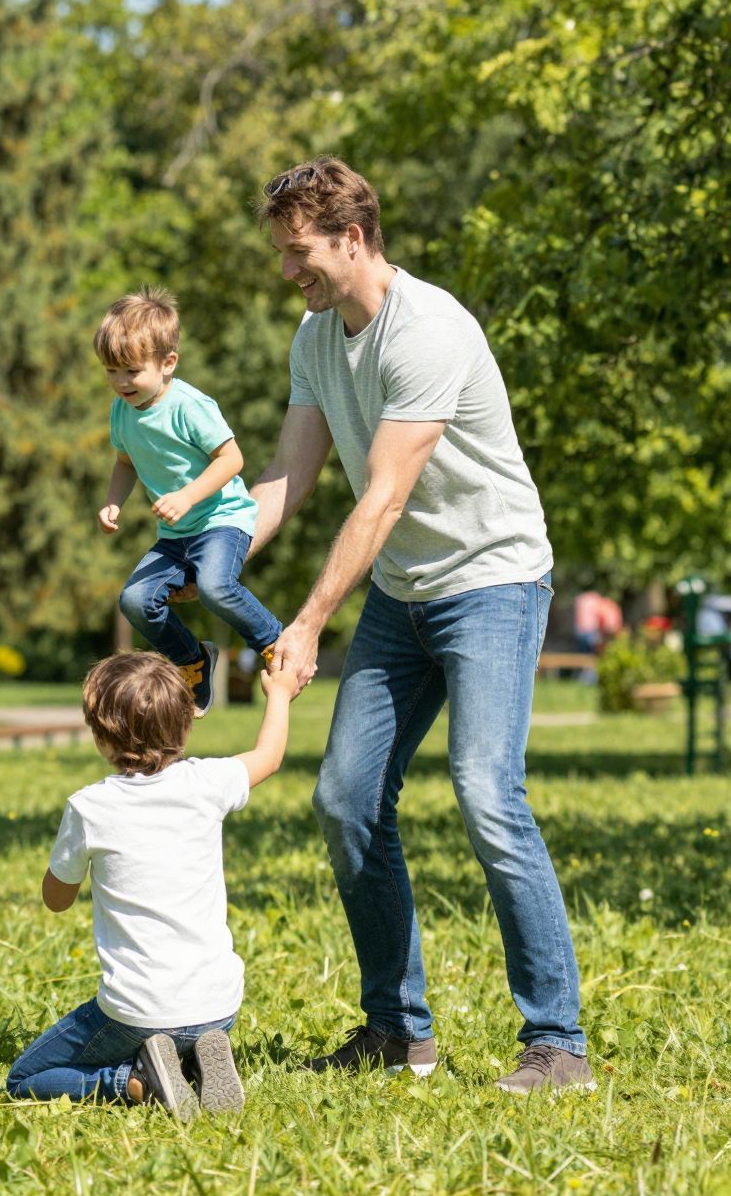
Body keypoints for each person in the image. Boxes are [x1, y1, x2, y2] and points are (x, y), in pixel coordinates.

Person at [246, 156, 589, 1094]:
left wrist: (311, 621)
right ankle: (399, 1033)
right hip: (405, 593)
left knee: (486, 792)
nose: (290, 271)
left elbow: (386, 495)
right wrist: (211, 556)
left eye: (300, 252)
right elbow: (290, 478)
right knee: (346, 800)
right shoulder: (317, 338)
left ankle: (557, 1042)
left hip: (491, 581)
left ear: (352, 240)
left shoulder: (427, 329)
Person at [6, 651, 292, 1117]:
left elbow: (55, 900)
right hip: (219, 1004)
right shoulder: (208, 783)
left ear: (100, 735)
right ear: (185, 726)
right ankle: (195, 1057)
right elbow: (270, 756)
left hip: (136, 1011)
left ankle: (135, 1082)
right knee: (185, 1026)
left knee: (24, 1078)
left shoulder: (90, 807)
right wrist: (278, 693)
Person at [97, 288, 282, 715]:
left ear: (168, 364)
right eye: (111, 371)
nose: (121, 382)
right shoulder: (121, 412)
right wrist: (113, 502)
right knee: (134, 601)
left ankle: (274, 641)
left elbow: (232, 459)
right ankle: (192, 658)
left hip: (220, 520)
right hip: (175, 535)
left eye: (131, 370)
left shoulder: (189, 405)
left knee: (216, 588)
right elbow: (125, 462)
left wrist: (187, 495)